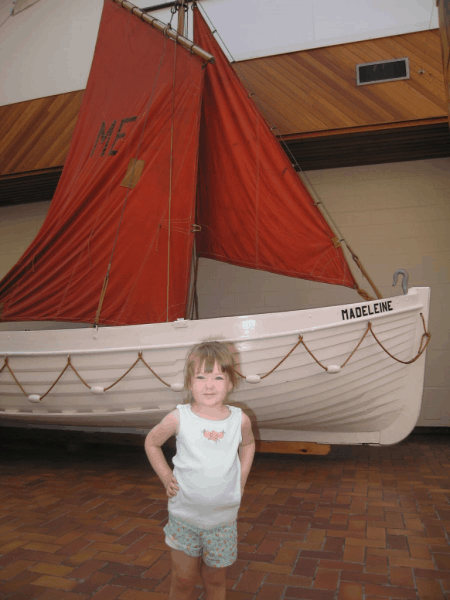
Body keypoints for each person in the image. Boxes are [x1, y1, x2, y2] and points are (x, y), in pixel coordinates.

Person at [145, 341, 255, 600]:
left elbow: (248, 445)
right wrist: (165, 476)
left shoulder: (240, 420)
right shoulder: (178, 417)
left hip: (223, 523)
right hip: (184, 519)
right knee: (183, 581)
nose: (209, 385)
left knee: (215, 582)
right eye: (201, 377)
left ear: (230, 383)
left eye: (218, 377)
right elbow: (152, 442)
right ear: (189, 382)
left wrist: (241, 479)